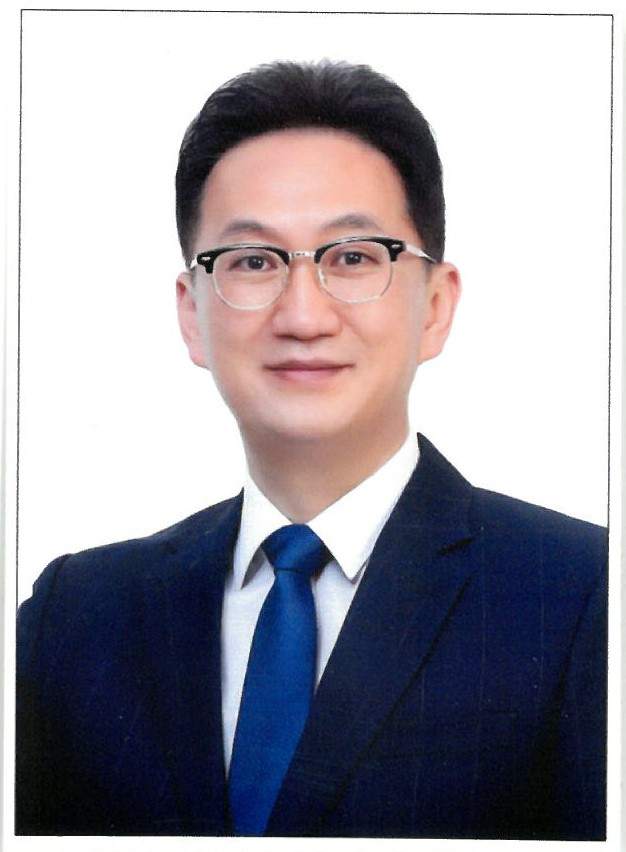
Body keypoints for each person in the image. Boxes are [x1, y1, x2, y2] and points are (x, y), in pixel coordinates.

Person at [16, 59, 607, 839]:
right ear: (192, 315)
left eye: (353, 257)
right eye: (253, 262)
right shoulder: (75, 616)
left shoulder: (583, 593)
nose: (303, 315)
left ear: (435, 306)